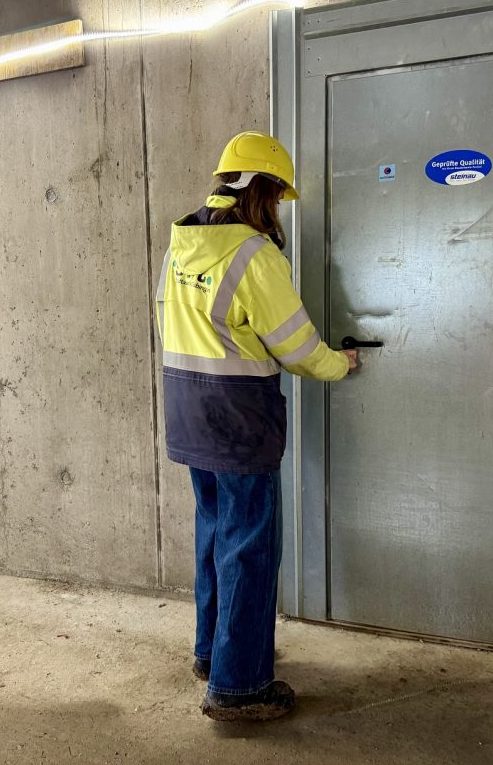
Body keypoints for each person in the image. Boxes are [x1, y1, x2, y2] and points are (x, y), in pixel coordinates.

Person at [155, 131, 358, 721]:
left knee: (217, 535)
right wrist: (337, 365)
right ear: (265, 191)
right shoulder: (253, 254)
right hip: (238, 418)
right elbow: (295, 345)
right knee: (249, 546)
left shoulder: (179, 246)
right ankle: (239, 685)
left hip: (189, 412)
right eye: (277, 196)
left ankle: (210, 655)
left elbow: (173, 327)